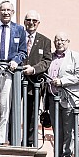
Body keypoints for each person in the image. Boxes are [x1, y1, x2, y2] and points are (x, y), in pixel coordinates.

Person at [0, 0, 26, 144]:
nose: (6, 12)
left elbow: (23, 51)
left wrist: (16, 60)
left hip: (9, 69)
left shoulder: (20, 29)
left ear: (13, 12)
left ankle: (2, 138)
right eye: (3, 10)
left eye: (9, 10)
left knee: (4, 104)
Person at [44, 33, 79, 157]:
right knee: (57, 130)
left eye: (62, 40)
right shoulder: (50, 57)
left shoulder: (76, 57)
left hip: (69, 99)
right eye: (57, 40)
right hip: (52, 98)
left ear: (68, 41)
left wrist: (62, 81)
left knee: (69, 130)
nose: (59, 42)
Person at [20, 10, 53, 147]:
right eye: (28, 20)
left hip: (35, 83)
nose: (31, 23)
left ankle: (30, 142)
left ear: (38, 23)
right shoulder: (19, 36)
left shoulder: (45, 41)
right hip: (17, 80)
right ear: (24, 22)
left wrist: (33, 69)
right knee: (13, 111)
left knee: (32, 113)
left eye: (34, 21)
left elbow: (46, 61)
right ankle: (13, 140)